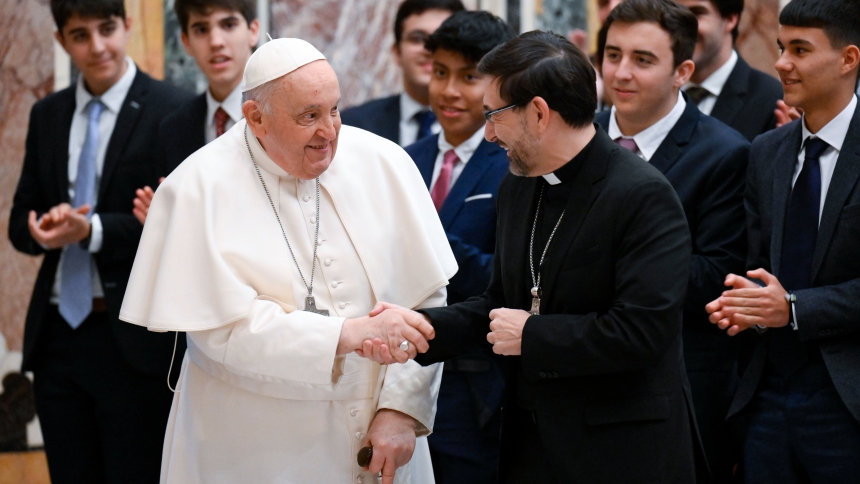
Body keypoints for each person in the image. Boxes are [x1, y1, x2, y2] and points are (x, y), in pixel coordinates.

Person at [119, 38, 457, 484]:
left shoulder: (383, 162)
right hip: (257, 447)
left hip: (385, 438)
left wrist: (401, 410)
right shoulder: (197, 189)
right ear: (256, 117)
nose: (330, 131)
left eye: (334, 110)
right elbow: (224, 333)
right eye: (309, 116)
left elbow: (426, 296)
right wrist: (348, 333)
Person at [365, 30, 697, 483]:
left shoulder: (642, 196)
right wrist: (421, 329)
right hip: (532, 445)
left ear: (538, 113)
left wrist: (535, 334)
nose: (488, 134)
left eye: (494, 116)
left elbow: (643, 331)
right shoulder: (520, 185)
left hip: (620, 451)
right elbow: (500, 303)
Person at [7, 1, 192, 482]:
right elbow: (18, 223)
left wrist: (93, 231)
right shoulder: (47, 114)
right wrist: (43, 227)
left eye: (106, 29)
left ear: (127, 26)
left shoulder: (170, 110)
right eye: (80, 35)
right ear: (63, 41)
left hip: (130, 339)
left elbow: (174, 227)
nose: (97, 47)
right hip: (56, 339)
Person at [706, 0, 860, 482]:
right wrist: (742, 306)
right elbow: (755, 264)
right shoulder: (765, 152)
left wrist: (793, 308)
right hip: (766, 394)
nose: (780, 64)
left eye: (799, 49)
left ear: (848, 59)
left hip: (848, 398)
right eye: (779, 47)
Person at [595, 0, 748, 480]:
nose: (621, 72)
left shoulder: (723, 153)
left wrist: (602, 261)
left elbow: (717, 274)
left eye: (643, 60)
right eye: (613, 54)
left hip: (671, 384)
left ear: (682, 70)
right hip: (578, 374)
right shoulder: (580, 134)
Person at [403, 11, 513, 484]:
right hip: (403, 366)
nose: (449, 91)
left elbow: (506, 276)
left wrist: (432, 239)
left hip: (476, 386)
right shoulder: (408, 159)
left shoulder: (511, 163)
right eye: (440, 72)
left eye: (469, 77)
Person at [132, 0, 259, 225]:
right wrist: (163, 225)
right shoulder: (173, 128)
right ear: (186, 42)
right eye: (201, 29)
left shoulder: (281, 116)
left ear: (253, 31)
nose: (216, 42)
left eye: (228, 25)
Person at [340, 0, 464, 146]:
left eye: (442, 39)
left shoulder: (487, 129)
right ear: (397, 52)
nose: (429, 49)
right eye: (417, 38)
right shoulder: (354, 125)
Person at [676, 0, 784, 141]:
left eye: (697, 13)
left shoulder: (772, 100)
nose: (683, 28)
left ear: (730, 19)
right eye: (676, 15)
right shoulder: (658, 91)